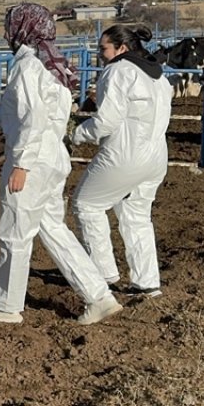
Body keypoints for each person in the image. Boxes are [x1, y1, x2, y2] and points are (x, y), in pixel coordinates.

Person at [0, 3, 123, 325]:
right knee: (52, 227)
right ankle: (98, 296)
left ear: (21, 28)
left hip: (32, 161)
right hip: (52, 158)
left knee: (14, 233)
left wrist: (21, 165)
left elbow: (31, 118)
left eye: (9, 25)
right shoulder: (53, 65)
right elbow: (16, 113)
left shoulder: (27, 65)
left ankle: (7, 306)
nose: (6, 32)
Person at [71, 24, 173, 298]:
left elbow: (106, 121)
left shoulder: (117, 71)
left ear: (121, 48)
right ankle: (147, 282)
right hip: (156, 155)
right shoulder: (158, 77)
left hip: (125, 154)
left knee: (86, 205)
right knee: (137, 216)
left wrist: (76, 134)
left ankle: (103, 275)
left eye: (103, 48)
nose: (100, 54)